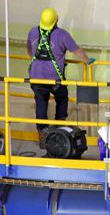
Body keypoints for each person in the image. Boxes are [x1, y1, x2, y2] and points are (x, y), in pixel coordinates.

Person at [27, 7, 92, 135]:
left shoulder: (32, 32)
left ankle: (42, 136)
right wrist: (88, 60)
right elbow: (78, 52)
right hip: (55, 80)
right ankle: (59, 131)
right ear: (56, 20)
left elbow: (29, 52)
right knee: (62, 99)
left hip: (36, 78)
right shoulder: (63, 35)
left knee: (41, 103)